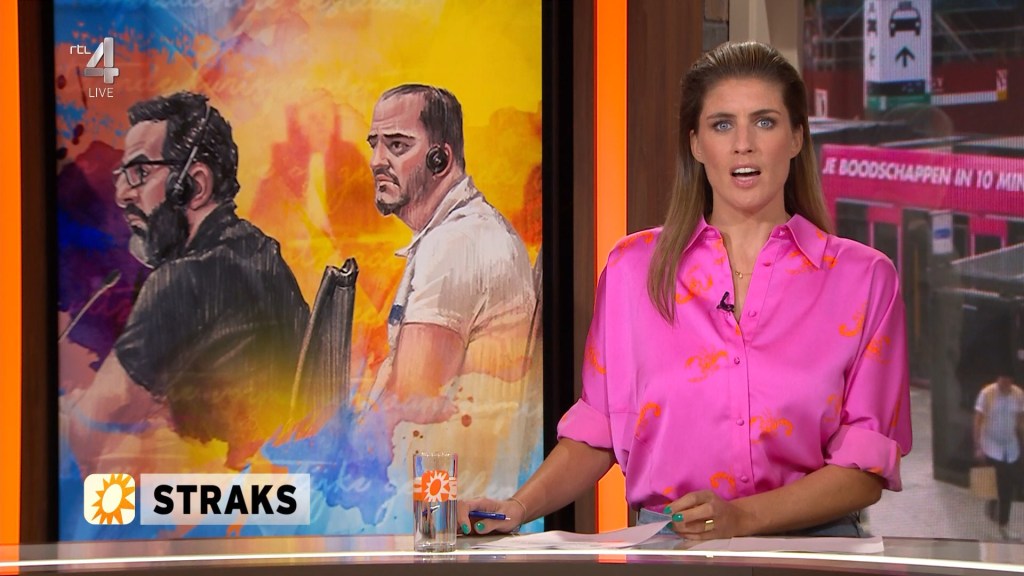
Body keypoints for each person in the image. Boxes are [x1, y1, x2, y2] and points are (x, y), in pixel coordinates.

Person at [459, 41, 912, 539]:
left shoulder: (864, 279)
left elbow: (866, 465)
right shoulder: (634, 269)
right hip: (673, 550)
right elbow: (600, 428)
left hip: (814, 556)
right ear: (696, 145)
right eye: (722, 125)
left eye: (764, 122)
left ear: (796, 138)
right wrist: (517, 506)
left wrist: (742, 518)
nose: (743, 144)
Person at [65, 91, 310, 472]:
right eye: (123, 175)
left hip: (202, 492)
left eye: (140, 173)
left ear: (195, 185)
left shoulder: (182, 281)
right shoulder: (262, 253)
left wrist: (70, 412)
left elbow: (90, 432)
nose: (122, 193)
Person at [363, 84, 538, 499]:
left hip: (439, 503)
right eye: (375, 144)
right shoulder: (455, 231)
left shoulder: (457, 243)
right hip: (443, 489)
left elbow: (410, 405)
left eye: (397, 145)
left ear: (440, 158)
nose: (377, 161)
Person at [974, 372, 1024, 539]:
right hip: (991, 446)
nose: (1005, 383)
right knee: (997, 483)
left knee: (1006, 486)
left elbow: (1020, 420)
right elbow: (978, 420)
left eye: (1008, 380)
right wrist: (978, 446)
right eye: (1002, 380)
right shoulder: (987, 393)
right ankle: (993, 505)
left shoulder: (1018, 394)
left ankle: (1003, 522)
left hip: (1010, 447)